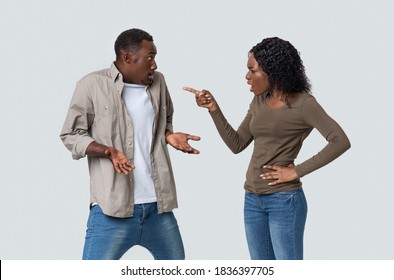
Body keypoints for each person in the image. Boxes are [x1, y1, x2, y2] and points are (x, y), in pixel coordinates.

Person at [183, 37, 350, 260]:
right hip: (252, 199)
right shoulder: (259, 101)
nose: (247, 76)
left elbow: (340, 141)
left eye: (252, 70)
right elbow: (237, 144)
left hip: (284, 201)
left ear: (272, 70)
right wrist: (214, 109)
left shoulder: (304, 104)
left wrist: (296, 171)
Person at [60, 28, 200, 260]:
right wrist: (108, 151)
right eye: (150, 57)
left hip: (158, 209)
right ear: (127, 58)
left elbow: (162, 124)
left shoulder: (159, 82)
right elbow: (71, 134)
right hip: (111, 210)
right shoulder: (92, 84)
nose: (154, 65)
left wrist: (169, 136)